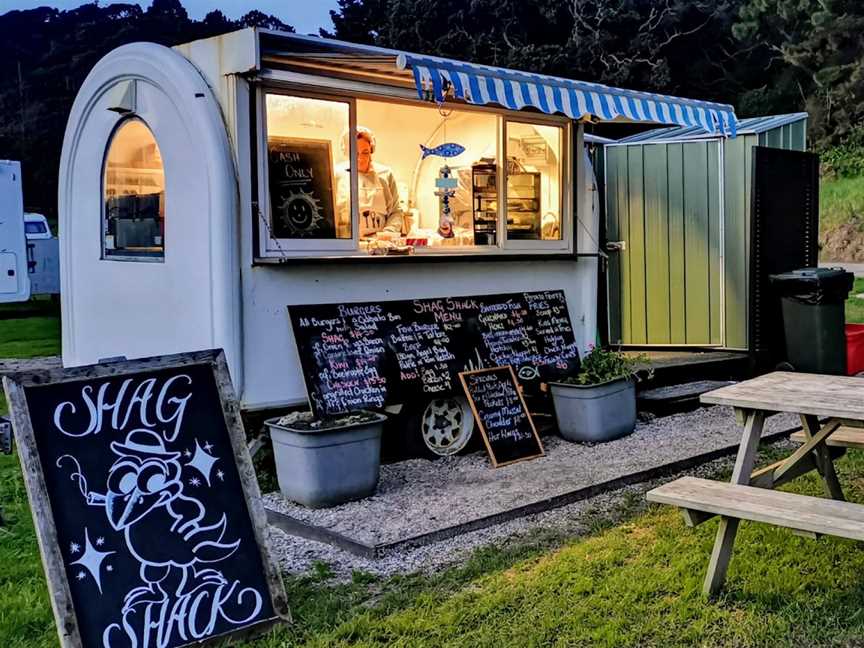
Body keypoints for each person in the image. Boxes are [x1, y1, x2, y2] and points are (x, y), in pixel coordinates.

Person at [336, 126, 404, 238]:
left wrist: (388, 234)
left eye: (365, 152)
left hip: (379, 244)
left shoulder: (385, 174)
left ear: (372, 150)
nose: (360, 158)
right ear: (346, 152)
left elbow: (396, 212)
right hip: (348, 243)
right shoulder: (337, 174)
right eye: (355, 153)